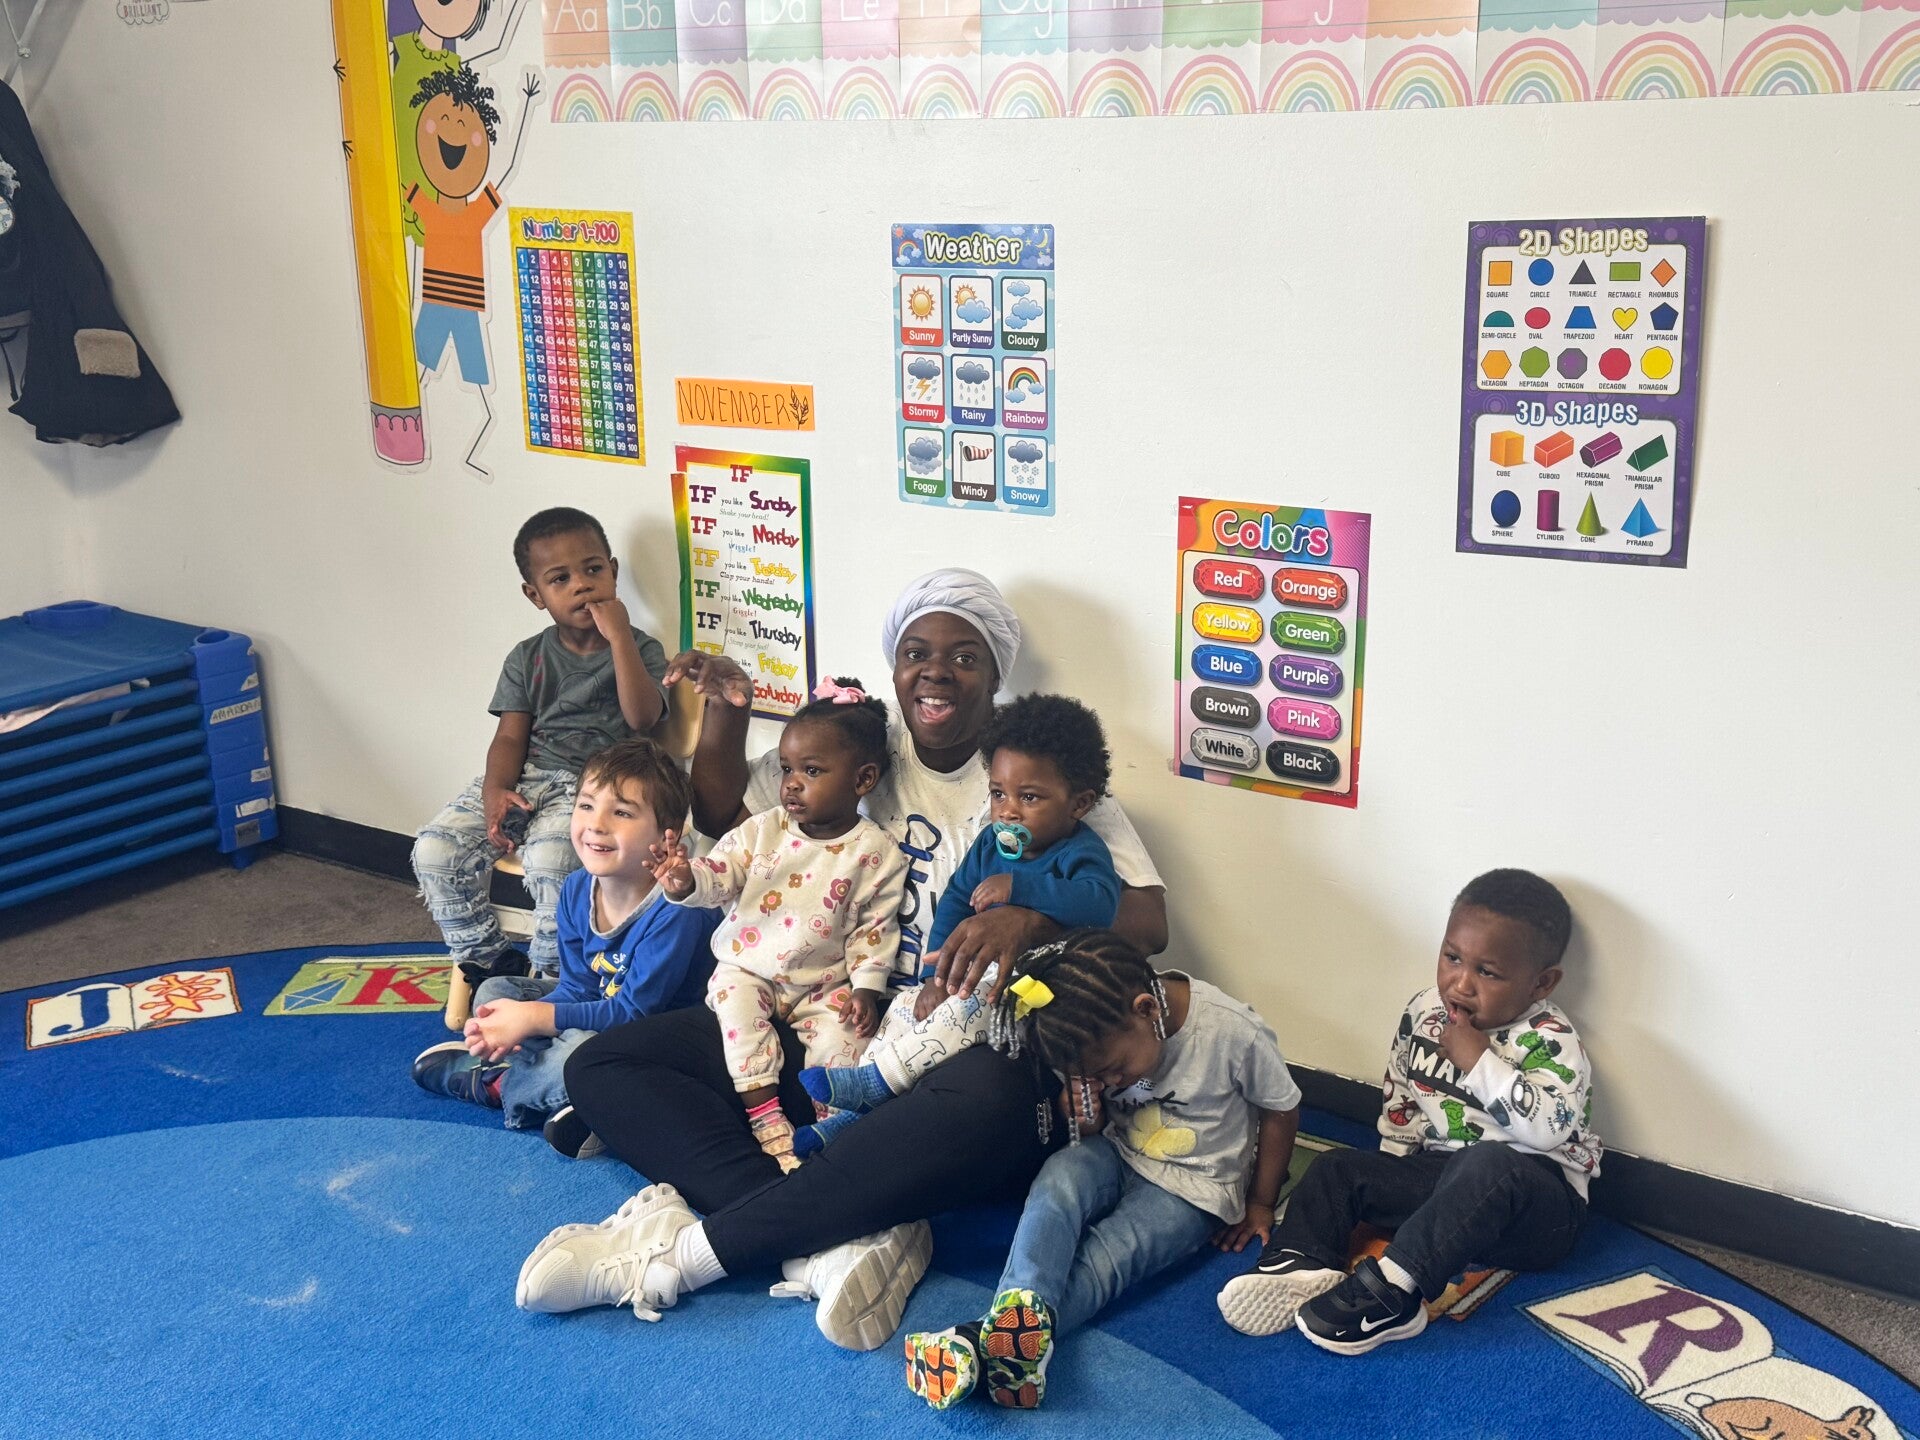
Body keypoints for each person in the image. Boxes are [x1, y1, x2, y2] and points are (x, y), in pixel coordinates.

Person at [514, 569, 1167, 1352]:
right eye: (916, 653)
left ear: (996, 676)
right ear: (895, 666)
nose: (936, 673)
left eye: (965, 658)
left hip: (965, 1047)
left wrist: (1029, 915)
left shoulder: (1033, 772)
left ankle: (689, 1256)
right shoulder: (857, 746)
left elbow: (1149, 921)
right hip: (835, 1018)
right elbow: (725, 815)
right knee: (605, 1066)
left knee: (988, 1099)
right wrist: (727, 714)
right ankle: (824, 1236)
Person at [902, 928, 1302, 1410]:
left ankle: (978, 1341)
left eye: (1114, 1069)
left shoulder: (1231, 1030)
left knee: (1107, 1258)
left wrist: (1260, 1203)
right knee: (1058, 1181)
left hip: (1196, 1187)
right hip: (1119, 1150)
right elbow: (1090, 1128)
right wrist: (1079, 1107)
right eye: (1097, 1075)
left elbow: (1281, 1109)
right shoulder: (1086, 1032)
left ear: (1146, 1010)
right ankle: (1013, 1328)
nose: (1112, 1080)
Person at [1217, 868, 1598, 1355]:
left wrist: (1481, 1062)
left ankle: (1397, 1291)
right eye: (1452, 957)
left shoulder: (1552, 1040)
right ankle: (1300, 1263)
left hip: (1536, 1207)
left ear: (1541, 983)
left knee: (1489, 1163)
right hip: (1444, 1179)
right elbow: (1403, 1091)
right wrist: (1390, 1175)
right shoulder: (1425, 1011)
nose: (1461, 984)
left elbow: (1547, 1132)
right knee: (1338, 1167)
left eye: (1488, 972)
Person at [795, 692, 1120, 1156]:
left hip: (1037, 999)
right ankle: (849, 1118)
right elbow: (954, 903)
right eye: (998, 793)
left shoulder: (1081, 852)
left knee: (968, 1006)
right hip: (974, 980)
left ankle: (876, 1084)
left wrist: (1021, 889)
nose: (1008, 810)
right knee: (905, 1009)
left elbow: (1100, 905)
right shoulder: (990, 843)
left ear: (1079, 804)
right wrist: (934, 977)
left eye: (1029, 797)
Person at [410, 738, 719, 1154]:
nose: (596, 824)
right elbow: (578, 987)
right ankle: (577, 1100)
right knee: (496, 993)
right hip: (607, 1014)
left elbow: (634, 1013)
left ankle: (502, 1083)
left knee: (575, 1052)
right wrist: (520, 1016)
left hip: (663, 1040)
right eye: (586, 805)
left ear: (668, 836)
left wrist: (533, 1019)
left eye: (622, 812)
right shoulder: (576, 888)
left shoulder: (678, 909)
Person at [650, 678, 906, 1172]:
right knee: (738, 1019)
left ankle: (835, 1127)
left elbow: (874, 928)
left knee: (847, 1042)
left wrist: (866, 989)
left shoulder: (876, 853)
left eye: (812, 771)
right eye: (787, 768)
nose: (791, 783)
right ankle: (766, 1117)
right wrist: (685, 879)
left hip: (824, 982)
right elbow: (721, 872)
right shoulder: (764, 829)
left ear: (863, 780)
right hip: (750, 968)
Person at [411, 508, 667, 984]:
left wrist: (619, 638)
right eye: (560, 578)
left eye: (593, 569)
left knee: (554, 861)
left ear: (613, 571)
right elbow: (510, 736)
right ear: (535, 595)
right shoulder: (527, 656)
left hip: (596, 788)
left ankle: (552, 978)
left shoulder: (642, 650)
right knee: (434, 849)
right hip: (528, 779)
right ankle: (489, 960)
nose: (582, 585)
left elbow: (643, 719)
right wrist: (495, 791)